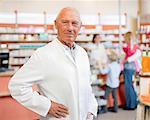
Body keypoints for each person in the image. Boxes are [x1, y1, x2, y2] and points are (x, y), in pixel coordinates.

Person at [8, 7, 98, 120]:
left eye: (74, 23)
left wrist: (90, 110)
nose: (70, 28)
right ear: (56, 24)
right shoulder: (43, 54)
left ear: (80, 26)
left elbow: (87, 86)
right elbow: (16, 86)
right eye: (65, 22)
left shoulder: (82, 53)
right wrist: (47, 106)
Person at [122, 31, 142, 110]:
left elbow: (133, 56)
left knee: (128, 86)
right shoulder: (133, 46)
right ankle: (132, 103)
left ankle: (130, 105)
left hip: (129, 68)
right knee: (130, 86)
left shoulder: (132, 47)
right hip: (131, 68)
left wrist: (126, 60)